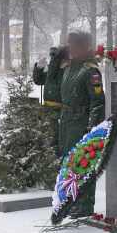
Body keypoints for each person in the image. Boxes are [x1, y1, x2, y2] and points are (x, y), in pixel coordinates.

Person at [46, 31, 105, 218]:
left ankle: (86, 205)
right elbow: (51, 80)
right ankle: (73, 201)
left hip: (81, 122)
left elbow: (97, 102)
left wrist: (91, 130)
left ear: (85, 47)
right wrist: (57, 58)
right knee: (69, 164)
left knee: (83, 165)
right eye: (70, 46)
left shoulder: (90, 70)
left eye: (76, 46)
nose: (73, 49)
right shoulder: (69, 67)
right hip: (67, 121)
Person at [33, 47, 63, 151]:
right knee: (47, 140)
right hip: (47, 110)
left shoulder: (62, 74)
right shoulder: (51, 75)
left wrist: (55, 60)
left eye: (54, 58)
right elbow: (38, 80)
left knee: (55, 140)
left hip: (57, 111)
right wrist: (39, 68)